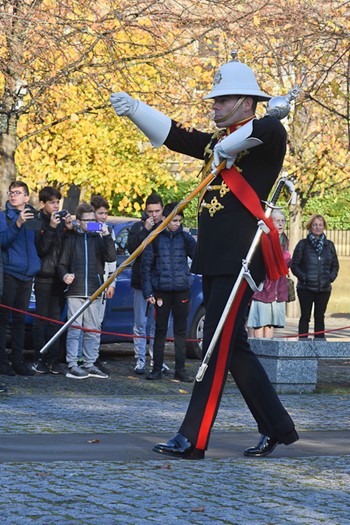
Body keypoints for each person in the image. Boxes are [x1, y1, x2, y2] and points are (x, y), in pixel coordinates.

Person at [110, 53, 299, 459]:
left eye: (221, 99)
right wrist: (136, 110)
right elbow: (178, 136)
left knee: (213, 348)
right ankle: (278, 427)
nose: (213, 105)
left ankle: (193, 438)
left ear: (246, 102)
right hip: (216, 259)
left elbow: (266, 126)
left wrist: (268, 116)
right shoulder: (220, 143)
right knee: (234, 348)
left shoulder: (268, 134)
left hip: (243, 259)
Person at [57, 203, 117, 379]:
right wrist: (65, 275)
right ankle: (73, 364)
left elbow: (111, 257)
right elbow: (61, 264)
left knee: (92, 329)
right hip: (75, 290)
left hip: (94, 290)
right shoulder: (72, 239)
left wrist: (107, 237)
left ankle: (90, 363)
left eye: (94, 220)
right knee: (75, 329)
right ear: (79, 221)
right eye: (88, 221)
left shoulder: (99, 239)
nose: (92, 223)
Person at [141, 202, 197, 382]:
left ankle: (180, 369)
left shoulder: (185, 237)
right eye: (174, 220)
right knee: (160, 330)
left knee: (181, 331)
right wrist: (148, 292)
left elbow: (197, 255)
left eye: (180, 221)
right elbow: (146, 267)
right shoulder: (155, 237)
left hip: (181, 290)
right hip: (161, 291)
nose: (177, 224)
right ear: (165, 219)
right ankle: (156, 368)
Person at [0, 181, 41, 376]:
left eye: (17, 193)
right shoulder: (3, 217)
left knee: (19, 320)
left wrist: (51, 227)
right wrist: (17, 224)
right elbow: (3, 242)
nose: (13, 195)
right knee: (3, 320)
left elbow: (41, 246)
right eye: (11, 192)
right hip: (9, 273)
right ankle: (2, 362)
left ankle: (18, 361)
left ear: (26, 198)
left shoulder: (34, 217)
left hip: (27, 275)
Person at [32, 186, 74, 374]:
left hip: (59, 278)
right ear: (43, 204)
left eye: (58, 202)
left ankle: (53, 360)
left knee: (55, 321)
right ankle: (38, 358)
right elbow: (41, 250)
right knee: (41, 320)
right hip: (42, 277)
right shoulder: (37, 220)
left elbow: (68, 249)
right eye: (52, 202)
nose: (56, 206)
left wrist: (70, 229)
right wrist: (51, 228)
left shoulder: (61, 221)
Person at [127, 193, 167, 375]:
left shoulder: (166, 228)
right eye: (150, 211)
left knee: (158, 323)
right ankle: (140, 358)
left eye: (157, 211)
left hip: (161, 282)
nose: (154, 215)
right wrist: (145, 230)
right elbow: (132, 250)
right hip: (141, 281)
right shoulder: (137, 227)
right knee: (141, 322)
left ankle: (157, 358)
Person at [291, 214, 339, 340]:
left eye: (320, 225)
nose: (318, 227)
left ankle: (319, 343)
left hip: (324, 288)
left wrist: (330, 278)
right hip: (306, 287)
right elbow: (294, 265)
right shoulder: (302, 244)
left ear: (324, 227)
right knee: (305, 316)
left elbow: (335, 265)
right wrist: (304, 277)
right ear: (310, 226)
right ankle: (302, 344)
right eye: (315, 224)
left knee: (320, 317)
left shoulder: (329, 245)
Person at [247, 210, 291, 338]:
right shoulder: (263, 239)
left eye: (283, 221)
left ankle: (269, 352)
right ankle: (259, 352)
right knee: (260, 322)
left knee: (271, 324)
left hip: (278, 288)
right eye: (277, 221)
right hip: (264, 287)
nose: (281, 224)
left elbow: (285, 263)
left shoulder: (284, 240)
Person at [90, 195, 117, 373]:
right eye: (100, 213)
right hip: (90, 281)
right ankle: (82, 356)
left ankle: (94, 355)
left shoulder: (109, 231)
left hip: (104, 280)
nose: (103, 217)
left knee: (98, 322)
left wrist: (111, 282)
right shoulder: (89, 228)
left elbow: (112, 260)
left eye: (106, 213)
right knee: (85, 323)